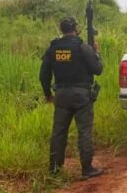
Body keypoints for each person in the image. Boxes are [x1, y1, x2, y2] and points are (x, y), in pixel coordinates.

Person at [39, 16, 104, 179]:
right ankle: (87, 169)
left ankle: (54, 170)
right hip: (82, 95)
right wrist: (96, 53)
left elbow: (43, 75)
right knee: (84, 132)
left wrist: (48, 94)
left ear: (61, 29)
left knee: (58, 133)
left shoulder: (53, 48)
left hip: (61, 95)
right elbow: (98, 70)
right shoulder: (82, 47)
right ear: (75, 29)